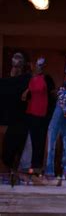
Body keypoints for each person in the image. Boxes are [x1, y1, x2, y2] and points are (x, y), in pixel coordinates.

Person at [0, 53, 31, 185]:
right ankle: (10, 172)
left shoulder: (27, 80)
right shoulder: (8, 82)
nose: (16, 68)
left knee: (21, 147)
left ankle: (16, 172)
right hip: (12, 120)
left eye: (18, 65)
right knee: (8, 148)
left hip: (24, 119)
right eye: (14, 65)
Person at [22, 57, 55, 177]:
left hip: (42, 114)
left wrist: (49, 113)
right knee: (32, 140)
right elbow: (26, 95)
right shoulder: (30, 79)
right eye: (37, 65)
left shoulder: (47, 79)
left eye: (41, 65)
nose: (38, 67)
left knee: (40, 141)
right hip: (31, 113)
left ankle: (37, 166)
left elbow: (52, 96)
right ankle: (30, 165)